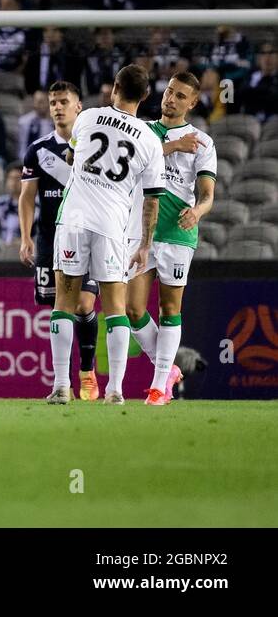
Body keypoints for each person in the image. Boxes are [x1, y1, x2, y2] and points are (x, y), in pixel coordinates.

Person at [48, 64, 166, 406]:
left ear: (114, 88)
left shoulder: (88, 118)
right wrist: (144, 245)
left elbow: (72, 155)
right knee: (115, 308)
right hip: (112, 227)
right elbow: (152, 201)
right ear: (145, 97)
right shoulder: (149, 139)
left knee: (64, 304)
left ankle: (60, 386)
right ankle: (115, 390)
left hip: (73, 219)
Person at [124, 71, 217, 406]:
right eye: (169, 92)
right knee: (132, 308)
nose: (171, 99)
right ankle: (168, 371)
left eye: (180, 96)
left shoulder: (203, 142)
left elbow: (207, 194)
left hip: (178, 234)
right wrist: (174, 146)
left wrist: (199, 212)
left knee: (169, 308)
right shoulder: (144, 130)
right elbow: (132, 165)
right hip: (141, 232)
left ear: (192, 103)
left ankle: (159, 386)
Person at [19, 81, 100, 400]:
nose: (57, 107)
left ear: (78, 106)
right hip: (50, 240)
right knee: (59, 307)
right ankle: (61, 382)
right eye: (53, 102)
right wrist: (25, 237)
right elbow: (27, 197)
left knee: (83, 303)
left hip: (88, 237)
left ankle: (87, 371)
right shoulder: (38, 150)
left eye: (64, 101)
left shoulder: (93, 147)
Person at [243, 42, 278, 121]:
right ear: (258, 58)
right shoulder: (251, 75)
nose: (267, 57)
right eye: (263, 53)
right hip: (249, 120)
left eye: (271, 53)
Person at [0, 164, 23, 247]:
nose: (13, 182)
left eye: (18, 178)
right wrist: (0, 243)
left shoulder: (39, 206)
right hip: (1, 248)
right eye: (10, 178)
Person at [18, 90, 51, 160]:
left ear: (48, 103)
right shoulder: (24, 122)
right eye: (35, 101)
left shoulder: (54, 123)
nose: (37, 105)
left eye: (41, 102)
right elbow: (21, 147)